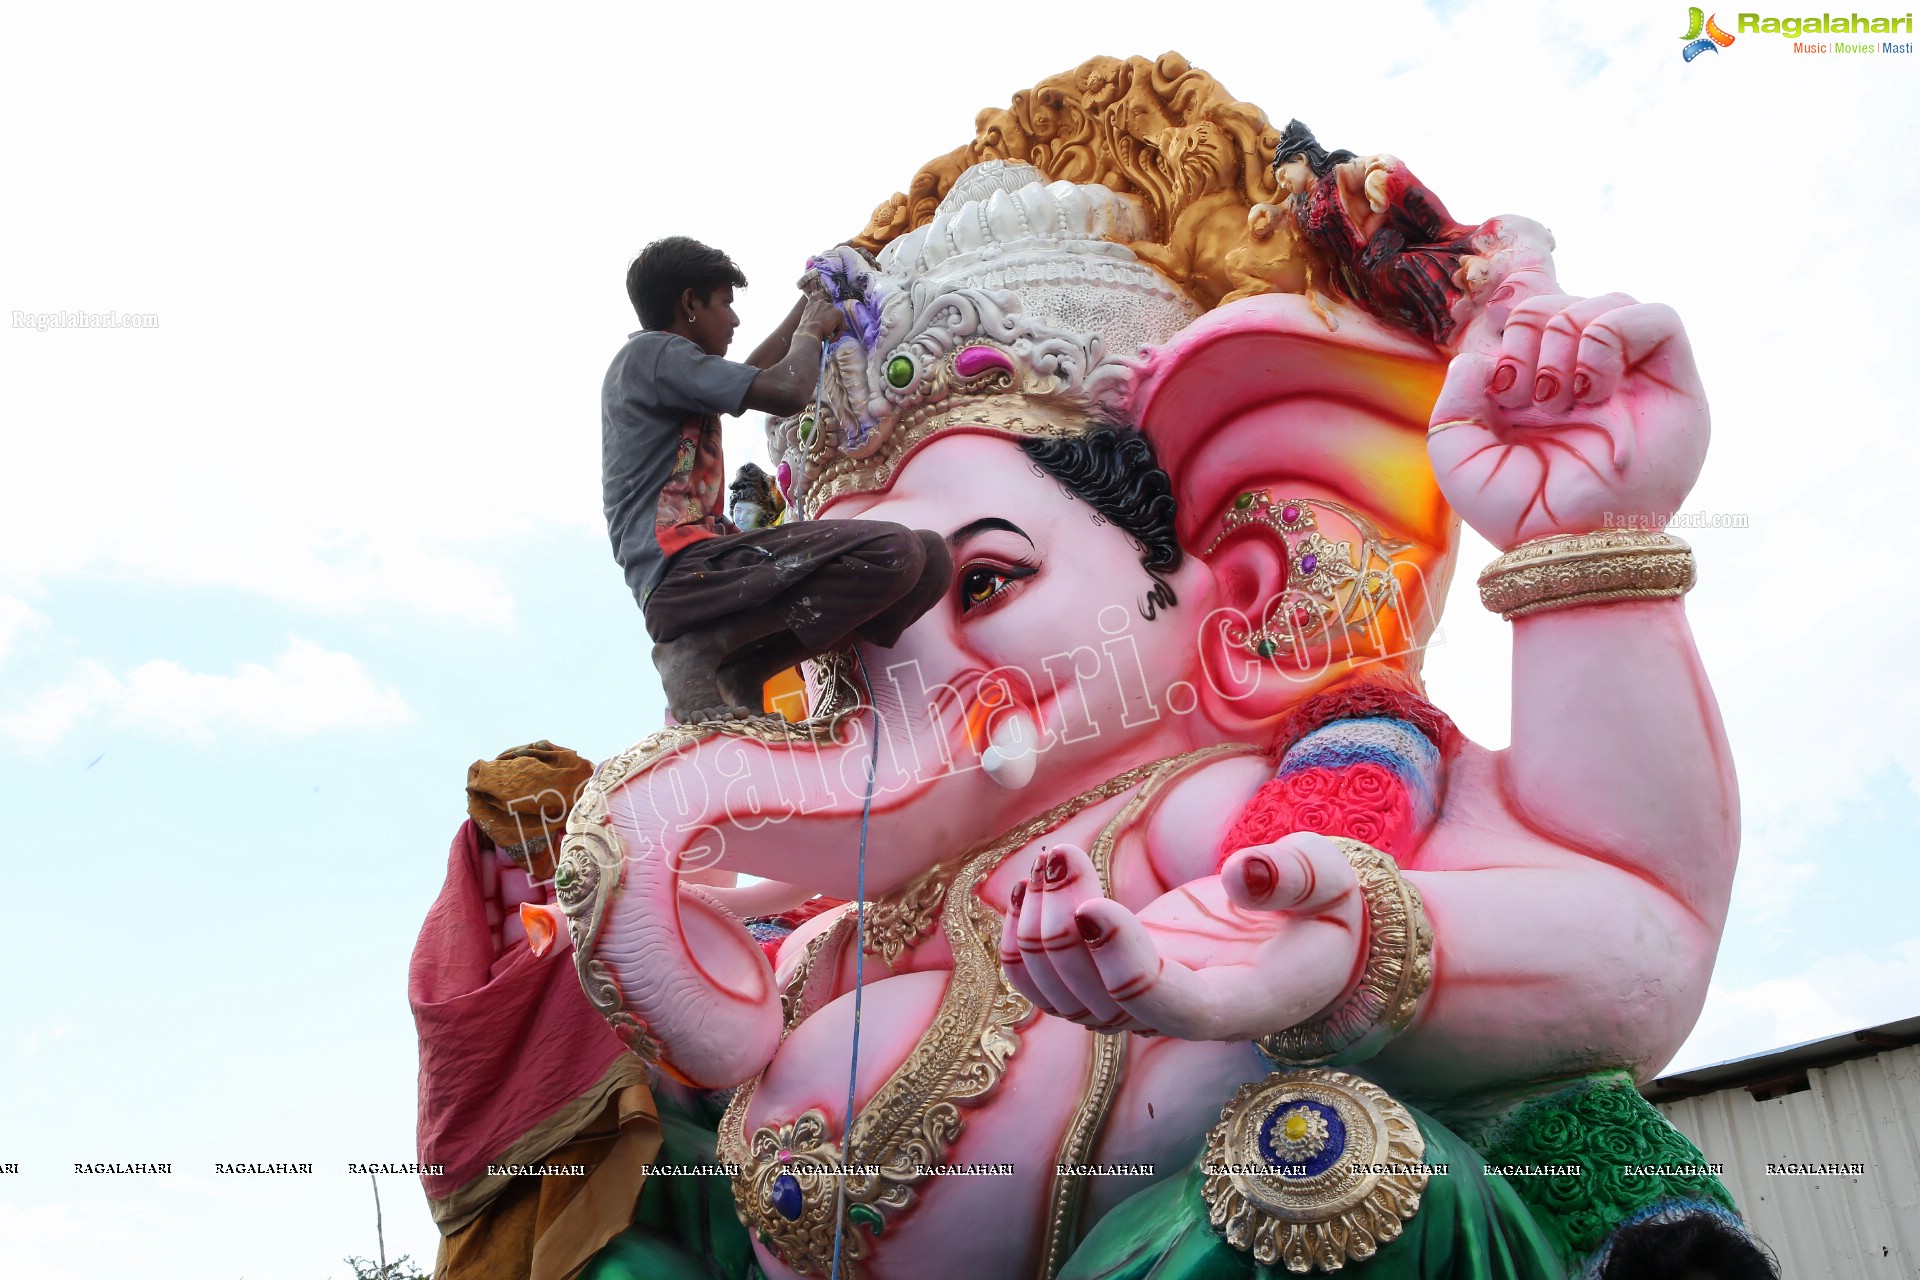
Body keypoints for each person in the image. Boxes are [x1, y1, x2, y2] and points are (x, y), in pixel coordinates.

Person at [602, 236, 952, 721]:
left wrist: (808, 306)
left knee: (930, 561)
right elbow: (786, 390)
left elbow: (747, 371)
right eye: (724, 302)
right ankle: (697, 648)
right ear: (688, 303)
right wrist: (809, 332)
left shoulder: (667, 369)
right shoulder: (653, 356)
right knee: (896, 552)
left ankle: (746, 666)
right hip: (684, 573)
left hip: (707, 570)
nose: (734, 318)